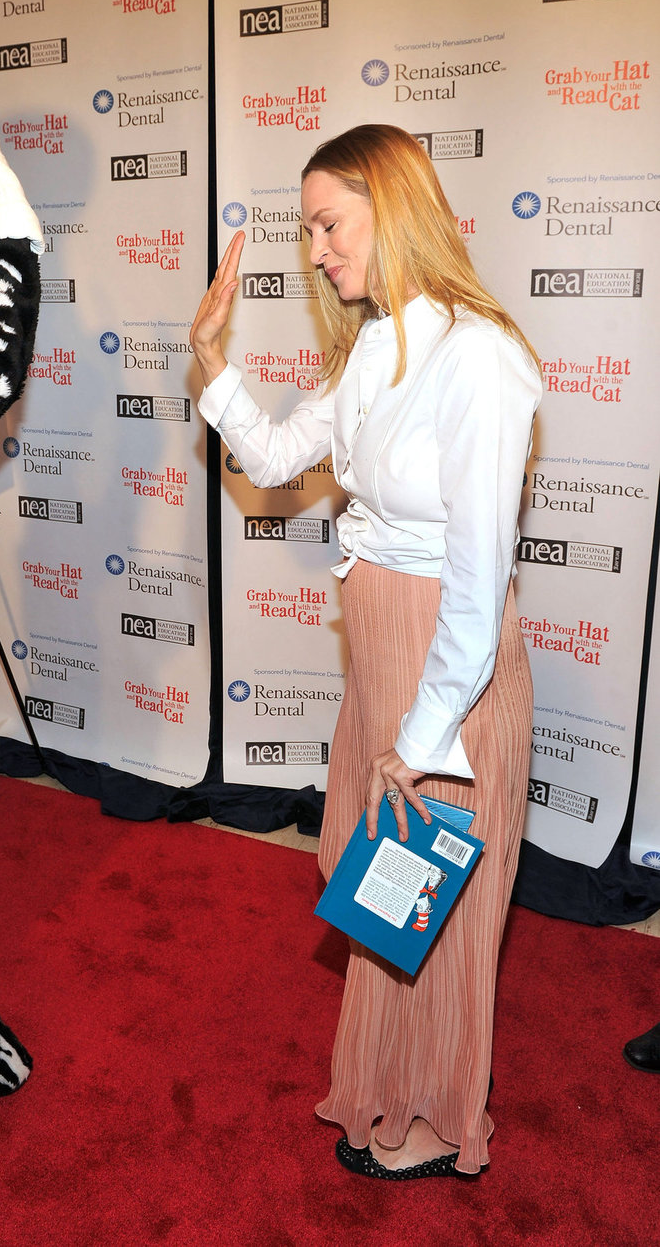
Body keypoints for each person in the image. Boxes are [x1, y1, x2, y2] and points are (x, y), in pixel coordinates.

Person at [191, 125, 542, 1179]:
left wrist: (429, 731)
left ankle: (439, 1115)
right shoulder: (376, 349)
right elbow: (275, 456)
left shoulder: (478, 357)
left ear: (388, 210)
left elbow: (478, 578)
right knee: (388, 895)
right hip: (380, 662)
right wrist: (212, 362)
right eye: (306, 229)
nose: (314, 250)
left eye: (326, 223)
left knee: (438, 902)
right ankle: (386, 1085)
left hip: (447, 672)